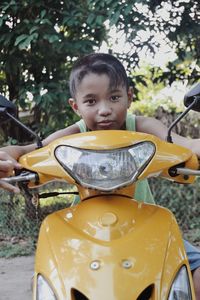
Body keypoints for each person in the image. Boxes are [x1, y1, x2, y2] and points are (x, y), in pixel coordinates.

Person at [0, 53, 200, 297]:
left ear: (129, 97)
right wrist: (6, 155)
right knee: (50, 280)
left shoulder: (142, 126)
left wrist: (194, 148)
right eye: (91, 101)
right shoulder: (73, 134)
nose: (104, 110)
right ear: (76, 106)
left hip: (147, 227)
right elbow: (29, 151)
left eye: (114, 97)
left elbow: (181, 144)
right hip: (83, 229)